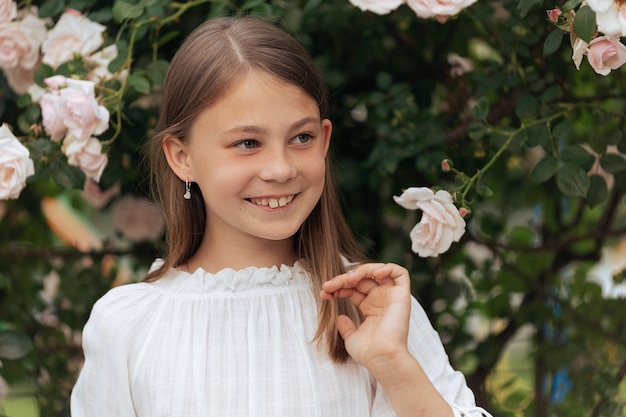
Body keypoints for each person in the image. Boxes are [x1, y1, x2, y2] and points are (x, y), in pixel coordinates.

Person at [70, 16, 491, 417]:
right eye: (248, 142)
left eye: (301, 137)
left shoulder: (374, 309)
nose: (281, 168)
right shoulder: (128, 325)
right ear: (183, 157)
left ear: (324, 140)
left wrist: (394, 365)